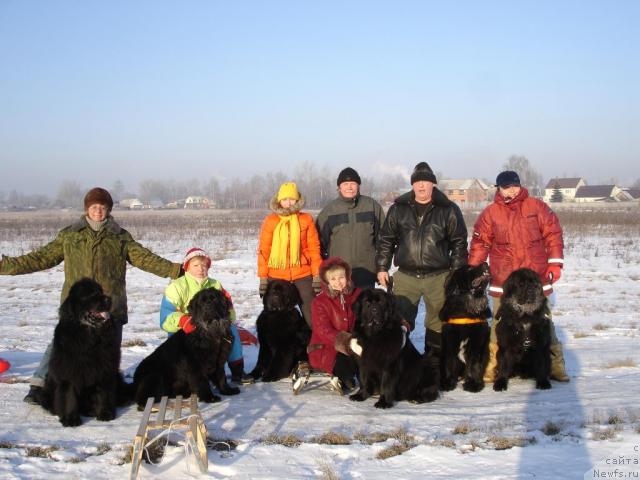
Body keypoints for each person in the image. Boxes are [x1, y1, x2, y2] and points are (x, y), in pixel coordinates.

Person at [0, 187, 183, 404]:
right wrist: (6, 265)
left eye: (103, 207)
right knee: (60, 348)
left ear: (109, 210)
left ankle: (105, 393)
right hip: (78, 308)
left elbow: (145, 258)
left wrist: (175, 270)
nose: (99, 211)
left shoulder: (120, 237)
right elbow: (41, 258)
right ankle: (39, 385)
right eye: (94, 207)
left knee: (109, 353)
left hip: (109, 305)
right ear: (87, 209)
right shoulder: (70, 235)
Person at [468, 170, 569, 382]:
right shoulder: (490, 213)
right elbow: (480, 243)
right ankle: (492, 369)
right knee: (498, 327)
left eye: (513, 186)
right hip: (504, 281)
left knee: (544, 327)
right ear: (498, 188)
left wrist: (555, 264)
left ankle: (556, 368)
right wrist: (473, 269)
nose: (510, 190)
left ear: (520, 185)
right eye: (505, 187)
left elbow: (553, 234)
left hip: (535, 280)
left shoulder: (537, 207)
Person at [376, 162, 468, 356]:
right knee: (399, 318)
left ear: (433, 184)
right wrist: (382, 267)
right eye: (417, 182)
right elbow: (386, 240)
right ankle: (400, 359)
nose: (421, 186)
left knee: (438, 320)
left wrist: (457, 274)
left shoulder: (448, 209)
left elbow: (459, 243)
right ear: (412, 185)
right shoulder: (398, 208)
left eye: (425, 181)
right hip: (406, 276)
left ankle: (433, 360)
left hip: (438, 276)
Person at [160, 247, 253, 384]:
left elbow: (228, 306)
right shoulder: (176, 287)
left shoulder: (215, 284)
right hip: (186, 327)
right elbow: (165, 316)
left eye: (204, 265)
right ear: (187, 267)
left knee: (231, 331)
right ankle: (183, 377)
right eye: (196, 265)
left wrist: (227, 321)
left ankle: (237, 371)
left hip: (212, 326)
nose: (200, 269)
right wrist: (183, 320)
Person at [257, 182, 322, 327]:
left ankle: (315, 344)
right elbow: (264, 251)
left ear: (297, 200)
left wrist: (316, 275)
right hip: (277, 275)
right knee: (276, 316)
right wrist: (263, 278)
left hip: (303, 274)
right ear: (279, 200)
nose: (288, 202)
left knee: (311, 314)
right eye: (285, 199)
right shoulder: (270, 221)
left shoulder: (306, 219)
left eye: (292, 199)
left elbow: (314, 248)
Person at [315, 167, 385, 289]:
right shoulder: (329, 211)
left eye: (353, 183)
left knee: (364, 307)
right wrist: (327, 269)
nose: (349, 187)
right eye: (345, 184)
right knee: (341, 308)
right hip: (339, 278)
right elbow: (318, 243)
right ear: (339, 187)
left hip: (367, 273)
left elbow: (384, 240)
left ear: (358, 186)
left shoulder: (372, 206)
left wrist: (381, 267)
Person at [305, 257, 361, 395]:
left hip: (354, 343)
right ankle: (343, 377)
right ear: (327, 281)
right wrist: (348, 342)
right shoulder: (319, 302)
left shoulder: (357, 294)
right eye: (333, 279)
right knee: (347, 365)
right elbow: (323, 330)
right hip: (327, 348)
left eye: (341, 277)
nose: (338, 282)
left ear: (347, 277)